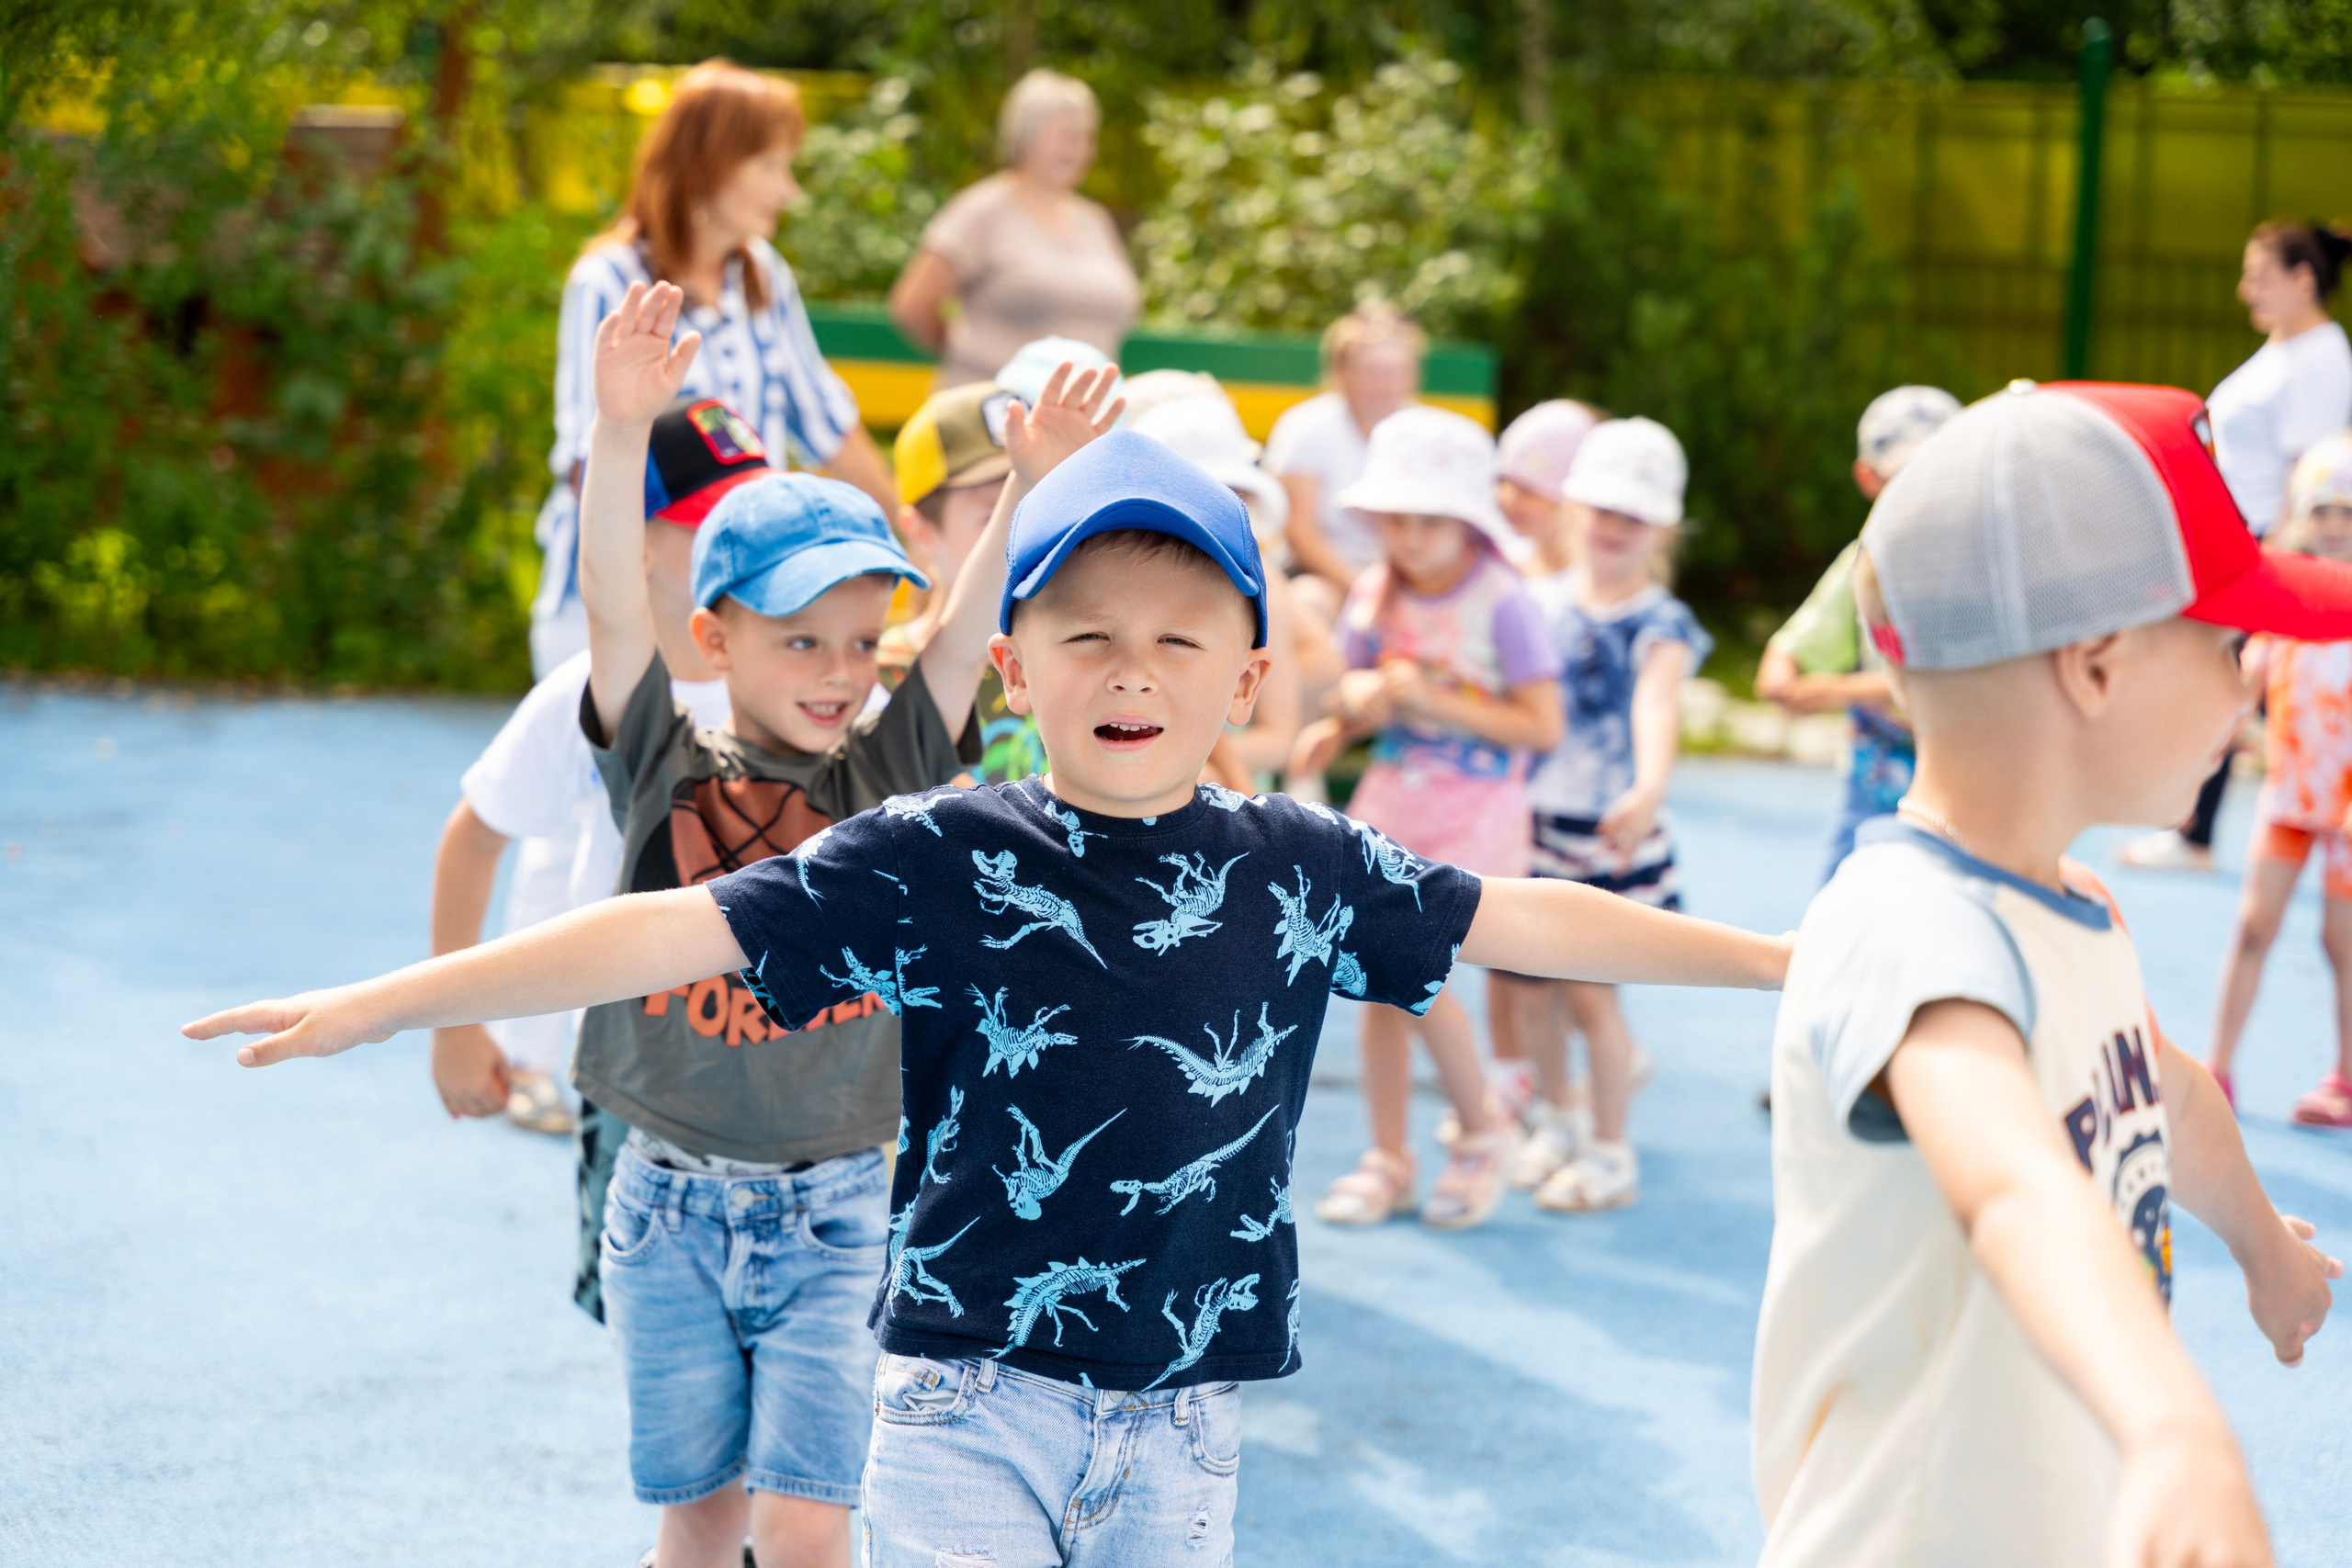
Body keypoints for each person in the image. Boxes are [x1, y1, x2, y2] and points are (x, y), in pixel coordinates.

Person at [187, 431, 1792, 1568]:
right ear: (1012, 674)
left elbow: (1533, 919)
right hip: (965, 1394)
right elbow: (666, 933)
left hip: (1184, 1415)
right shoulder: (938, 849)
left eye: (1179, 640)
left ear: (1248, 680)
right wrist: (396, 998)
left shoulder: (1301, 863)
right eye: (1085, 638)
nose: (1132, 671)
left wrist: (1796, 961)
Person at [1754, 380, 2345, 1568]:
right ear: (2095, 664)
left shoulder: (2072, 901)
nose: (2250, 690)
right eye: (2231, 645)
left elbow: (2165, 1092)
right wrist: (2175, 1419)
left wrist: (2264, 1249)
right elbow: (2016, 1184)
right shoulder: (1915, 924)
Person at [430, 397, 759, 1134]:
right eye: (713, 518)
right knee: (618, 1250)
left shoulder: (821, 683)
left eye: (756, 512)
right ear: (631, 542)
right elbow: (474, 836)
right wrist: (454, 1024)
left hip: (788, 1072)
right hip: (630, 1074)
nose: (743, 539)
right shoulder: (587, 695)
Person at [532, 60, 899, 677]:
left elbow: (827, 424)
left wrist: (913, 534)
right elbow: (584, 461)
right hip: (620, 608)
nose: (789, 190)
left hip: (736, 606)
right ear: (709, 164)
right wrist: (646, 579)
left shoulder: (763, 273)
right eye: (771, 166)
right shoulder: (611, 279)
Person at [1293, 407, 1565, 1231]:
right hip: (1394, 801)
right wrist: (1354, 706)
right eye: (1392, 521)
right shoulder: (1376, 591)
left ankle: (1482, 1129)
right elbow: (1352, 687)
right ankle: (1390, 1154)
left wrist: (1434, 700)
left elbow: (1542, 727)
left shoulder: (1505, 601)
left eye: (1426, 521)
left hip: (1477, 809)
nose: (1406, 538)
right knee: (1372, 983)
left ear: (1466, 520)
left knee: (1415, 968)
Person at [1491, 418, 1713, 1210]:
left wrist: (1649, 784)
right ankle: (1557, 1114)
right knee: (1527, 989)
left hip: (1610, 833)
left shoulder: (1659, 621)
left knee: (1591, 997)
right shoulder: (1535, 598)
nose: (1615, 526)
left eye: (1636, 514)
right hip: (1534, 825)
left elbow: (1657, 702)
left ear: (1662, 528)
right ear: (1574, 508)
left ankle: (1612, 1148)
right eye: (1602, 507)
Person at [2123, 220, 2352, 872]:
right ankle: (2191, 824)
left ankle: (2194, 829)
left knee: (2217, 679)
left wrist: (2273, 559)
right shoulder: (2286, 349)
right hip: (2230, 538)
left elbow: (2309, 468)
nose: (2244, 289)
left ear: (2302, 279)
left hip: (2259, 544)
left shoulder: (2321, 355)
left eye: (2259, 275)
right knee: (2213, 679)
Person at [1757, 386, 1962, 882]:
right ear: (1870, 478)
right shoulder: (1864, 558)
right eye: (1906, 477)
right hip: (1872, 779)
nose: (1923, 493)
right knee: (1845, 900)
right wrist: (1785, 670)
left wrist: (1836, 690)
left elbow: (1948, 678)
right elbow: (1793, 648)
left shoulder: (1975, 566)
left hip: (1961, 781)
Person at [2205, 432, 2352, 1122]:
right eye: (2321, 509)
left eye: (2348, 512)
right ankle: (2218, 1067)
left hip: (2349, 803)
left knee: (2341, 939)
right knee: (2252, 925)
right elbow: (2248, 681)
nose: (2333, 525)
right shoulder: (2287, 601)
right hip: (2290, 794)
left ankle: (2346, 1078)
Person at [888, 69, 1140, 392]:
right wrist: (981, 361)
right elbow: (913, 305)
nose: (1077, 148)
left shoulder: (1095, 221)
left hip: (1085, 426)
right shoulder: (982, 210)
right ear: (1024, 136)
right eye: (1066, 135)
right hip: (993, 418)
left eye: (1087, 137)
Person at [1125, 384, 1307, 788]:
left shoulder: (1263, 586)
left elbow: (1279, 736)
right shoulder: (1123, 589)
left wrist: (1175, 761)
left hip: (1217, 798)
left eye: (1232, 495)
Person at [879, 379, 1046, 784]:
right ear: (919, 529)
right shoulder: (881, 675)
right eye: (995, 519)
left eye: (1039, 508)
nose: (1026, 535)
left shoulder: (1078, 658)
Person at [1263, 302, 1426, 599]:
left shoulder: (1430, 433)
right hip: (1325, 576)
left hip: (1411, 581)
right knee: (1310, 598)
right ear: (1342, 372)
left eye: (1397, 372)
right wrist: (1364, 590)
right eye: (1374, 372)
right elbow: (1300, 532)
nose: (1386, 385)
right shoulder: (1305, 427)